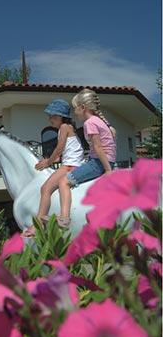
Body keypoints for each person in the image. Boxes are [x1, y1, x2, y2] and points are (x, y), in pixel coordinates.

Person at [24, 99, 84, 236]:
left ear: (61, 117)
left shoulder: (64, 128)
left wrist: (48, 163)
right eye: (50, 116)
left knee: (45, 188)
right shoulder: (69, 128)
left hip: (69, 166)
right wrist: (50, 160)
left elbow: (59, 148)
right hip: (71, 163)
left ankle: (37, 225)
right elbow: (64, 153)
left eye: (53, 116)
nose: (50, 119)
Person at [57, 88, 116, 227]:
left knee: (63, 181)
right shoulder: (100, 121)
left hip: (99, 163)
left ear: (83, 108)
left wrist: (108, 170)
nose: (75, 113)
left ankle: (64, 218)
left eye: (75, 108)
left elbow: (98, 147)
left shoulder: (89, 123)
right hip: (106, 160)